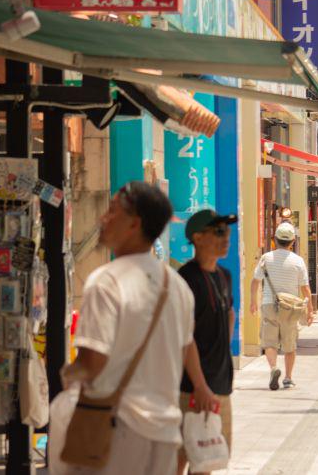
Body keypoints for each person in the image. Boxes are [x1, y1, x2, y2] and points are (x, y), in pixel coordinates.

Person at [61, 182, 215, 475]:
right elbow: (185, 347)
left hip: (115, 429)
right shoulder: (176, 285)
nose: (103, 219)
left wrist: (66, 378)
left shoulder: (106, 281)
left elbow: (92, 362)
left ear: (134, 224)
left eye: (112, 212)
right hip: (166, 433)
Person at [177, 208, 238, 475]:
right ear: (198, 238)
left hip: (221, 384)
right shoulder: (186, 278)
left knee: (208, 459)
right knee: (180, 458)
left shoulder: (224, 276)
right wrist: (200, 385)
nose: (226, 238)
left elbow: (230, 313)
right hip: (192, 388)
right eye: (219, 232)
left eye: (227, 231)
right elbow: (184, 337)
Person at [250, 222, 314, 390]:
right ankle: (287, 378)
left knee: (269, 342)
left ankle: (273, 368)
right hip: (290, 308)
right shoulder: (298, 261)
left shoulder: (266, 258)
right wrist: (310, 310)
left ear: (275, 240)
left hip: (269, 304)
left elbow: (255, 281)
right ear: (292, 241)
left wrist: (252, 302)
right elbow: (305, 288)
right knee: (289, 344)